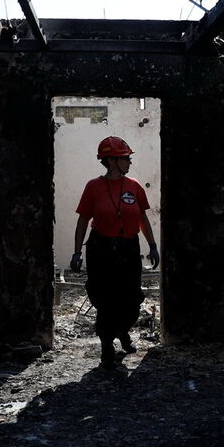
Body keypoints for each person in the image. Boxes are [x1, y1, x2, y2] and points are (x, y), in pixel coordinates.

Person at [69, 136, 160, 368]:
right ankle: (107, 344)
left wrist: (152, 245)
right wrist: (77, 252)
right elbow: (82, 221)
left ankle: (121, 331)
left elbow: (141, 218)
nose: (129, 162)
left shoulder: (134, 186)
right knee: (105, 299)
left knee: (131, 300)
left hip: (128, 249)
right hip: (101, 249)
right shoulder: (93, 187)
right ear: (111, 161)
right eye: (125, 158)